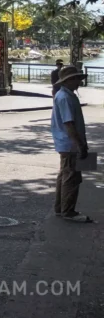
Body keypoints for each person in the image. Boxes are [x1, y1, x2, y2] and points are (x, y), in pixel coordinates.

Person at [51, 65, 92, 222]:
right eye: (77, 79)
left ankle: (61, 208)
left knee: (65, 175)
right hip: (70, 143)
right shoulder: (65, 97)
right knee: (71, 177)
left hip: (68, 143)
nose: (79, 82)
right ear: (69, 80)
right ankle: (68, 211)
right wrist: (81, 144)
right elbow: (69, 124)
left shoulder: (65, 95)